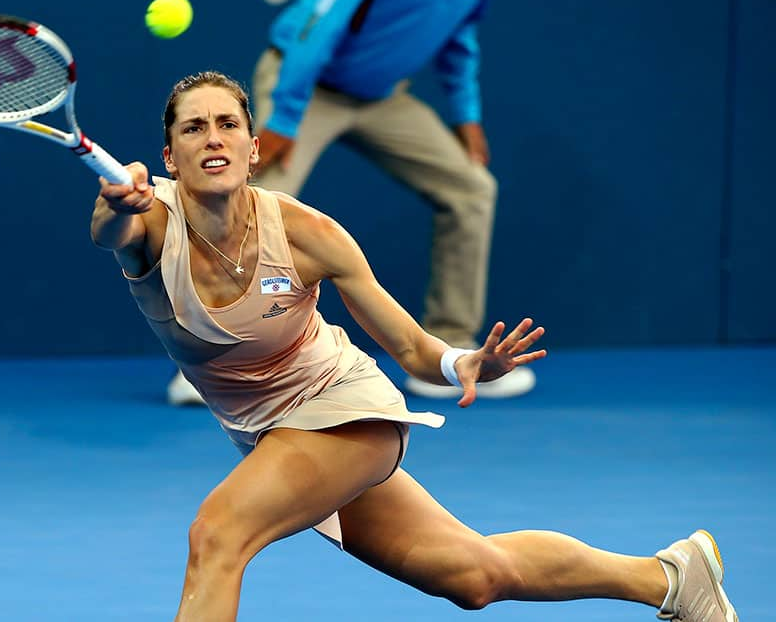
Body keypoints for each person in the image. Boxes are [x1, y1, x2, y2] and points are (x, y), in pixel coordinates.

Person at [91, 71, 738, 622]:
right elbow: (107, 228)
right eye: (194, 127)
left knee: (218, 533)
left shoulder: (309, 234)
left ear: (254, 148)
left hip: (343, 410)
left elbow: (408, 343)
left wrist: (465, 363)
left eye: (228, 124)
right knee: (473, 576)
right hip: (269, 435)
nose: (213, 138)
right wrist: (118, 203)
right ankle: (672, 577)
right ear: (170, 156)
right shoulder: (146, 217)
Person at [165, 0, 532, 407]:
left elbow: (458, 38)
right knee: (250, 202)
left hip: (381, 97)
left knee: (472, 189)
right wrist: (285, 118)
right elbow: (319, 29)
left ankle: (449, 350)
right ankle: (208, 361)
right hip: (304, 84)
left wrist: (466, 113)